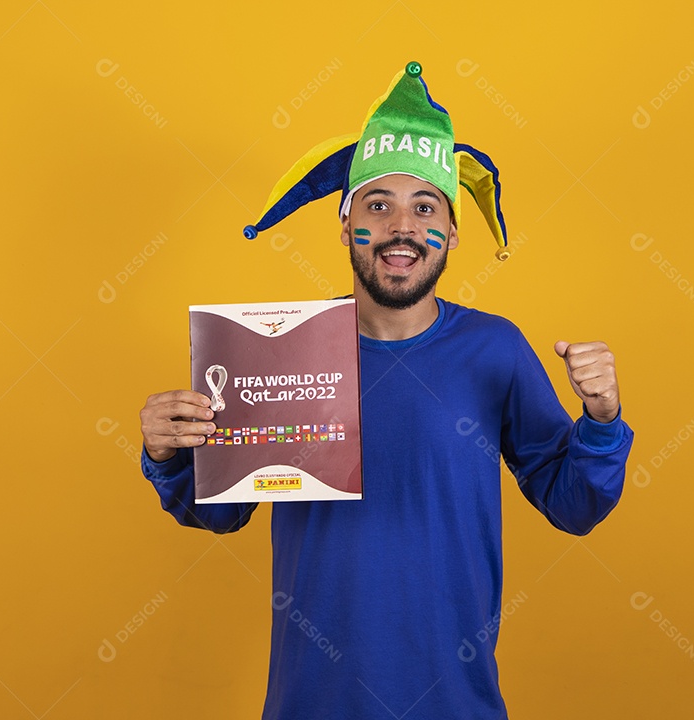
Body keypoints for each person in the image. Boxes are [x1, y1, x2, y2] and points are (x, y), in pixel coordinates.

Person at [139, 61, 634, 719]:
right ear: (345, 226)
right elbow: (221, 512)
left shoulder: (496, 350)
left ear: (452, 232)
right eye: (378, 205)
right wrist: (172, 454)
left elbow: (573, 505)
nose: (402, 226)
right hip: (310, 703)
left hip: (455, 704)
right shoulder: (280, 348)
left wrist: (600, 422)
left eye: (424, 206)